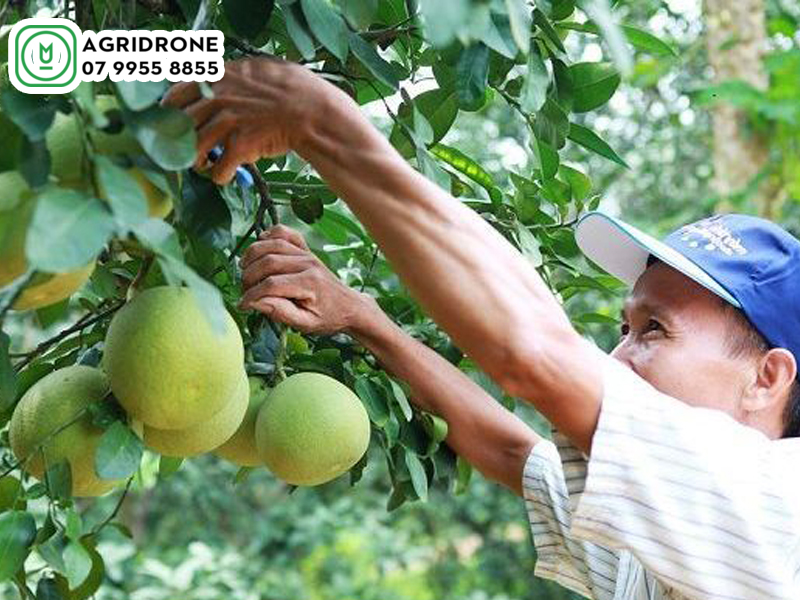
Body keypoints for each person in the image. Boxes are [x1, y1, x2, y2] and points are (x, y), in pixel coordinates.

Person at [164, 58, 800, 599]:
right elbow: (515, 453)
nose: (619, 354)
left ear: (767, 378)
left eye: (656, 329)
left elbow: (537, 352)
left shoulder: (779, 508)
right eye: (626, 327)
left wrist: (320, 122)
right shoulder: (671, 527)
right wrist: (365, 318)